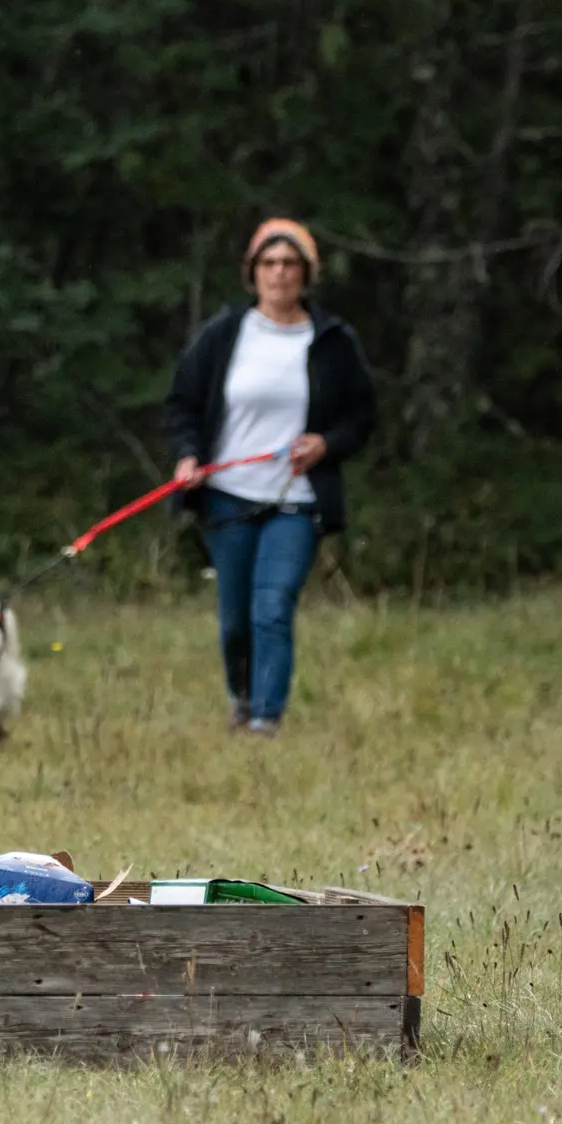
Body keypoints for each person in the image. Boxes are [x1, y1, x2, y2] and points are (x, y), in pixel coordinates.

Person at [164, 218, 375, 736]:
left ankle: (266, 719)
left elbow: (362, 416)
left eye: (290, 265)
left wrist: (326, 444)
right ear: (252, 272)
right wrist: (188, 456)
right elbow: (182, 406)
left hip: (297, 499)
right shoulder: (223, 335)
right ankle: (242, 697)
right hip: (228, 497)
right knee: (236, 618)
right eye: (269, 264)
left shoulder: (332, 341)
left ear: (307, 274)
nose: (279, 274)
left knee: (273, 607)